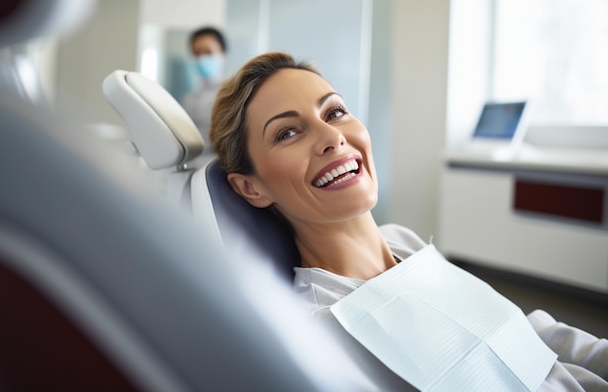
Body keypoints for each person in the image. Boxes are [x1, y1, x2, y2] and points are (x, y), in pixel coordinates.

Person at [209, 52, 608, 391]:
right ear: (250, 188)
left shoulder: (405, 243)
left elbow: (524, 331)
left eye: (334, 111)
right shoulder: (319, 328)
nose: (332, 136)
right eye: (288, 133)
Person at [183, 26, 227, 168]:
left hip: (219, 171)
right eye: (197, 53)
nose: (202, 58)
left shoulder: (232, 94)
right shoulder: (190, 99)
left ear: (222, 53)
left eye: (208, 52)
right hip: (192, 168)